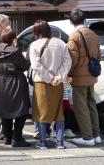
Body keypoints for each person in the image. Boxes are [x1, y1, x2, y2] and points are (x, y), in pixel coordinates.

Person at [29, 20, 71, 149]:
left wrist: (49, 78)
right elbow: (67, 62)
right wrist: (58, 77)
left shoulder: (34, 45)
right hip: (58, 83)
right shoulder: (61, 43)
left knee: (41, 113)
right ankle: (60, 142)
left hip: (42, 83)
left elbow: (36, 65)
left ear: (37, 32)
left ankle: (43, 142)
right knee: (59, 113)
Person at [67, 9, 102, 146]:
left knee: (81, 107)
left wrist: (68, 73)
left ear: (71, 21)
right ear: (84, 19)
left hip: (79, 77)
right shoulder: (93, 34)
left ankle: (88, 137)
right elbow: (99, 55)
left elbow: (72, 58)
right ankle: (96, 135)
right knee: (91, 104)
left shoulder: (74, 36)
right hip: (92, 75)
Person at [0, 30, 31, 147]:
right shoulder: (15, 51)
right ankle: (17, 138)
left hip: (1, 82)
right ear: (13, 39)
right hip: (16, 81)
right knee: (22, 110)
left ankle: (7, 137)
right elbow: (26, 65)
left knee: (5, 110)